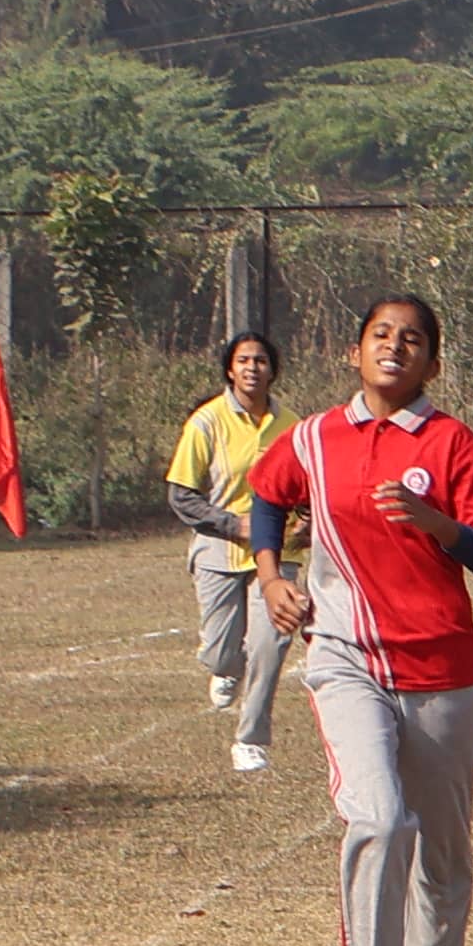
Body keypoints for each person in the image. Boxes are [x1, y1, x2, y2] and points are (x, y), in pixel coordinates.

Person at [245, 294, 473, 946]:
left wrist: (437, 523)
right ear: (354, 352)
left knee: (442, 855)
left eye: (413, 340)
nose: (395, 348)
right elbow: (268, 495)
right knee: (379, 819)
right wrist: (271, 576)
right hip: (345, 658)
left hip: (441, 668)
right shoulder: (314, 439)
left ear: (433, 362)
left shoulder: (450, 442)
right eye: (381, 336)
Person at [161, 332, 289, 774]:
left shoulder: (292, 425)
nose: (253, 368)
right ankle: (226, 667)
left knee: (270, 643)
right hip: (219, 551)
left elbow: (309, 488)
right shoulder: (206, 422)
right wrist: (234, 524)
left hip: (277, 553)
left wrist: (303, 525)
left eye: (261, 360)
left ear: (273, 370)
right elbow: (181, 495)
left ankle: (251, 740)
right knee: (221, 651)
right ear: (230, 370)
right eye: (244, 360)